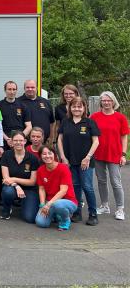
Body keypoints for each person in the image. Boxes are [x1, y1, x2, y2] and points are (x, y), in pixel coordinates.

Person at [57, 96, 100, 226]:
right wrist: (63, 157)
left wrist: (88, 157)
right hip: (69, 161)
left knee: (87, 187)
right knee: (75, 187)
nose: (77, 109)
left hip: (85, 162)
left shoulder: (90, 122)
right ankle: (77, 213)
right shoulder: (65, 122)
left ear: (84, 108)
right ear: (70, 108)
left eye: (79, 106)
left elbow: (96, 141)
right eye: (74, 106)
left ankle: (93, 214)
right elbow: (59, 140)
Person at [90, 91, 128, 221]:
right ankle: (104, 205)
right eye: (104, 100)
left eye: (109, 100)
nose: (106, 103)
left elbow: (124, 137)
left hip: (115, 154)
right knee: (101, 181)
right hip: (98, 154)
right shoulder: (94, 117)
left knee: (116, 182)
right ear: (101, 102)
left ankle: (120, 209)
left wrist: (123, 154)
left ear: (113, 102)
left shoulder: (120, 117)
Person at [35, 145, 78, 231]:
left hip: (67, 201)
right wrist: (42, 205)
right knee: (41, 223)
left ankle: (65, 220)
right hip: (50, 202)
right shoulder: (40, 170)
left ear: (54, 154)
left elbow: (63, 191)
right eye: (44, 154)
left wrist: (48, 204)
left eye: (49, 153)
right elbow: (42, 189)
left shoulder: (63, 168)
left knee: (58, 204)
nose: (47, 156)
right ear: (40, 156)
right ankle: (56, 215)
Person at [0, 131, 40, 223]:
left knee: (29, 218)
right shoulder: (6, 155)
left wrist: (14, 179)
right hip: (12, 187)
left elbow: (32, 182)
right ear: (11, 142)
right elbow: (6, 178)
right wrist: (17, 186)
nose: (18, 142)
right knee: (8, 191)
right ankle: (7, 208)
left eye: (21, 140)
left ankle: (25, 204)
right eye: (15, 140)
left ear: (25, 141)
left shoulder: (32, 158)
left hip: (29, 189)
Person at [17, 80, 55, 145]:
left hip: (44, 143)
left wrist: (51, 138)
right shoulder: (18, 102)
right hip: (24, 143)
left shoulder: (46, 102)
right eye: (27, 87)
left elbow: (52, 122)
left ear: (37, 88)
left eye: (32, 87)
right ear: (24, 88)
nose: (30, 89)